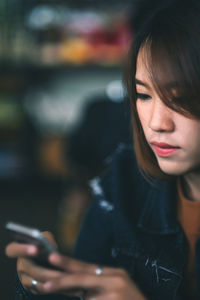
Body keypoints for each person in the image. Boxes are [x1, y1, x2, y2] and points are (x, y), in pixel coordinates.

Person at [5, 0, 200, 299]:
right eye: (143, 95)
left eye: (180, 99)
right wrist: (47, 283)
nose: (158, 123)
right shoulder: (121, 182)